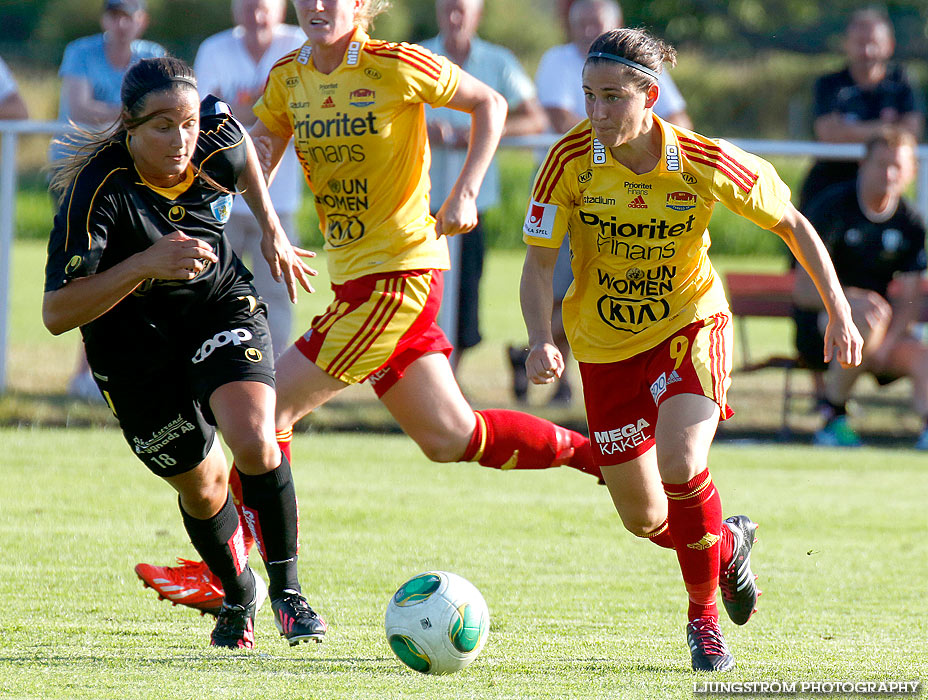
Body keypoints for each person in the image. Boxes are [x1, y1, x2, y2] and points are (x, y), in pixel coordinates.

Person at [134, 0, 604, 616]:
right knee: (450, 436)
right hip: (356, 282)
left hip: (400, 279)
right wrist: (238, 178)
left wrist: (464, 191)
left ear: (362, 7)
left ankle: (240, 566)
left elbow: (491, 104)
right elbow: (267, 144)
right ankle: (602, 454)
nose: (319, 6)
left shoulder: (397, 64)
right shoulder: (289, 76)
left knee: (264, 413)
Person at [519, 28, 862, 671]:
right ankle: (728, 548)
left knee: (680, 461)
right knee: (647, 519)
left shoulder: (704, 159)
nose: (596, 113)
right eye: (588, 96)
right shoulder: (567, 160)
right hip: (603, 345)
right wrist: (542, 338)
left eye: (612, 98)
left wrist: (839, 311)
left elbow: (793, 224)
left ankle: (703, 620)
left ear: (650, 95)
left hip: (688, 324)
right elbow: (538, 266)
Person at [43, 56, 323, 650]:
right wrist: (146, 263)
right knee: (202, 486)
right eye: (162, 127)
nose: (181, 140)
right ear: (129, 126)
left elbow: (244, 152)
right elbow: (57, 313)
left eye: (189, 123)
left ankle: (289, 595)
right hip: (130, 346)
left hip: (215, 306)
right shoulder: (95, 190)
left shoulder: (214, 137)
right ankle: (237, 592)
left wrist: (271, 228)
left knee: (254, 438)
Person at [509, 0, 693, 405]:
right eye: (591, 96)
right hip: (572, 197)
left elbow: (680, 122)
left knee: (607, 293)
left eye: (597, 22)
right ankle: (545, 355)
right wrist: (619, 131)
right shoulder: (559, 61)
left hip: (640, 199)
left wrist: (647, 148)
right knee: (563, 292)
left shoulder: (637, 67)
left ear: (616, 25)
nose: (597, 110)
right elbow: (562, 122)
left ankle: (553, 366)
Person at [421, 0, 548, 371]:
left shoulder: (498, 61)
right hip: (416, 199)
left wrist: (482, 131)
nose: (454, 17)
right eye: (447, 9)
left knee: (463, 299)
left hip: (471, 202)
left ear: (477, 14)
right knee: (418, 297)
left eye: (462, 9)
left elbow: (534, 119)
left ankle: (451, 380)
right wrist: (420, 128)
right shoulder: (420, 56)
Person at [51, 0, 167, 400]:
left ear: (142, 20)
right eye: (115, 15)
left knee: (127, 274)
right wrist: (136, 114)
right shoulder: (80, 52)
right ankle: (86, 374)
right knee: (84, 275)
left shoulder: (153, 57)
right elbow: (79, 107)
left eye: (129, 15)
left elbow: (164, 111)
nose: (121, 23)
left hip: (132, 179)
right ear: (105, 19)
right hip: (81, 179)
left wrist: (126, 117)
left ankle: (103, 371)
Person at [793, 128, 928, 449]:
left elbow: (910, 298)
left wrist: (889, 342)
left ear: (911, 172)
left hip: (880, 334)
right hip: (820, 329)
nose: (890, 173)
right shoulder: (831, 207)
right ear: (862, 165)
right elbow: (802, 290)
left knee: (921, 356)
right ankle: (832, 419)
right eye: (882, 164)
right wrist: (849, 299)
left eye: (898, 166)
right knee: (865, 317)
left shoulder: (909, 223)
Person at [193, 0, 307, 357]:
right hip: (218, 199)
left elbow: (303, 108)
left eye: (263, 6)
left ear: (281, 8)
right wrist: (271, 111)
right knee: (208, 290)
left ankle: (270, 378)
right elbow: (202, 117)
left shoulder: (300, 45)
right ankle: (212, 373)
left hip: (279, 200)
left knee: (276, 295)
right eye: (247, 5)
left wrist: (235, 109)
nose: (256, 14)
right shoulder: (214, 48)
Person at [797, 7, 923, 211]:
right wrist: (887, 131)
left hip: (883, 190)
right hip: (830, 183)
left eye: (873, 43)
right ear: (846, 44)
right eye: (860, 43)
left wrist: (850, 131)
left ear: (889, 45)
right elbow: (828, 134)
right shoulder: (829, 85)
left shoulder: (902, 83)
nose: (867, 51)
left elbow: (911, 133)